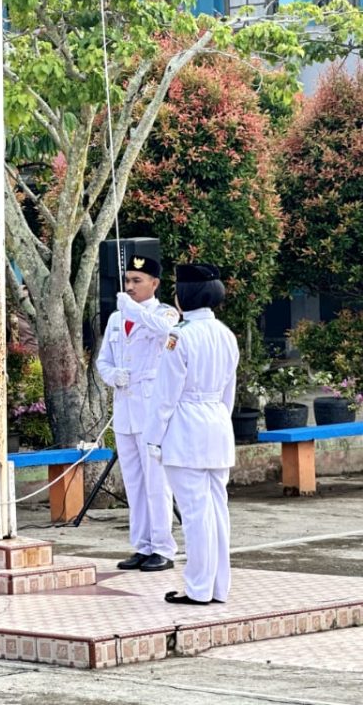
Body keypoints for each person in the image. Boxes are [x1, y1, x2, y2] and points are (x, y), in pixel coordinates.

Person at [145, 263, 239, 606]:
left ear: (184, 295)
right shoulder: (226, 335)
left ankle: (198, 589)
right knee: (217, 510)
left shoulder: (180, 336)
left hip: (186, 428)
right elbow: (228, 392)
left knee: (196, 513)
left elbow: (166, 395)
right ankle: (218, 587)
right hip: (217, 424)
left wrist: (153, 438)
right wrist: (219, 420)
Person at [95, 254, 180, 573]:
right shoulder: (117, 319)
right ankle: (143, 545)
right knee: (133, 481)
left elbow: (164, 331)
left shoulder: (164, 312)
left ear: (154, 284)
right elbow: (103, 360)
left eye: (137, 281)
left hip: (152, 409)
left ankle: (163, 547)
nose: (129, 287)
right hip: (125, 408)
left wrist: (133, 310)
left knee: (156, 481)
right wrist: (111, 375)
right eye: (127, 281)